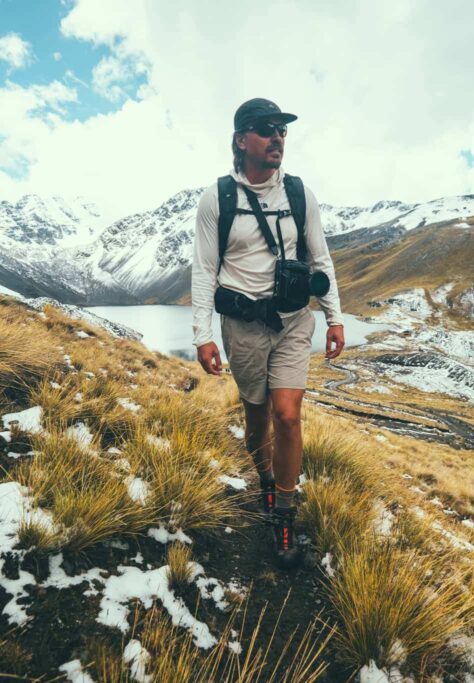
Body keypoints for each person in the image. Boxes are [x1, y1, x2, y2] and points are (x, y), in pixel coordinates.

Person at [191, 97, 345, 569]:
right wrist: (203, 333)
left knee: (288, 414)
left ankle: (283, 513)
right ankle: (265, 481)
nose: (277, 136)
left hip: (295, 322)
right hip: (243, 327)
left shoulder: (300, 195)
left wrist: (335, 317)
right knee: (256, 416)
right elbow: (203, 270)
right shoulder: (216, 199)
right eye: (265, 129)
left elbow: (321, 259)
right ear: (241, 140)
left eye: (282, 129)